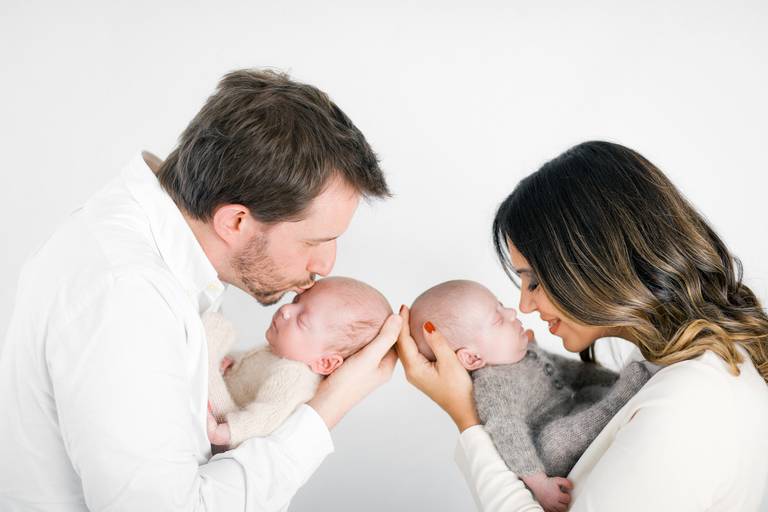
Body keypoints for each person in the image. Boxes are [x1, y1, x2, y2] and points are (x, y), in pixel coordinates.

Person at [0, 69, 402, 511]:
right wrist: (328, 408)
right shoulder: (127, 298)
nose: (326, 266)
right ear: (235, 221)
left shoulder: (141, 248)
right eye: (314, 242)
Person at [397, 141, 768, 511]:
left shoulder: (687, 402)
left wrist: (467, 419)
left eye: (535, 281)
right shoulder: (693, 370)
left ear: (596, 265)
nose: (524, 305)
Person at [408, 279, 654, 512]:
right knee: (554, 442)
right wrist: (538, 484)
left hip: (571, 410)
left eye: (502, 306)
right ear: (472, 357)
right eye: (498, 319)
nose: (512, 314)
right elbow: (508, 433)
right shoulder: (493, 385)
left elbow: (573, 372)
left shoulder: (526, 353)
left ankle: (617, 392)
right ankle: (621, 398)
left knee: (592, 389)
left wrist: (610, 379)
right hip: (547, 448)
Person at [206, 276, 392, 448]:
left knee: (209, 344)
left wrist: (225, 432)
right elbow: (254, 369)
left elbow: (269, 416)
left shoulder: (294, 376)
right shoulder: (281, 354)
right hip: (225, 406)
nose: (286, 310)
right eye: (296, 302)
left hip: (224, 426)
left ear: (326, 363)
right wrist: (232, 364)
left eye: (302, 320)